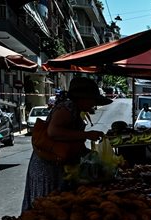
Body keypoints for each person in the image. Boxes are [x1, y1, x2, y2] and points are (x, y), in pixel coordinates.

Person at [22, 77, 109, 212]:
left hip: (58, 164)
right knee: (45, 207)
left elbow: (70, 139)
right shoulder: (67, 108)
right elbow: (53, 132)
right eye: (92, 100)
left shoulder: (74, 110)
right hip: (48, 166)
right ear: (82, 98)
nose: (94, 104)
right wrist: (87, 135)